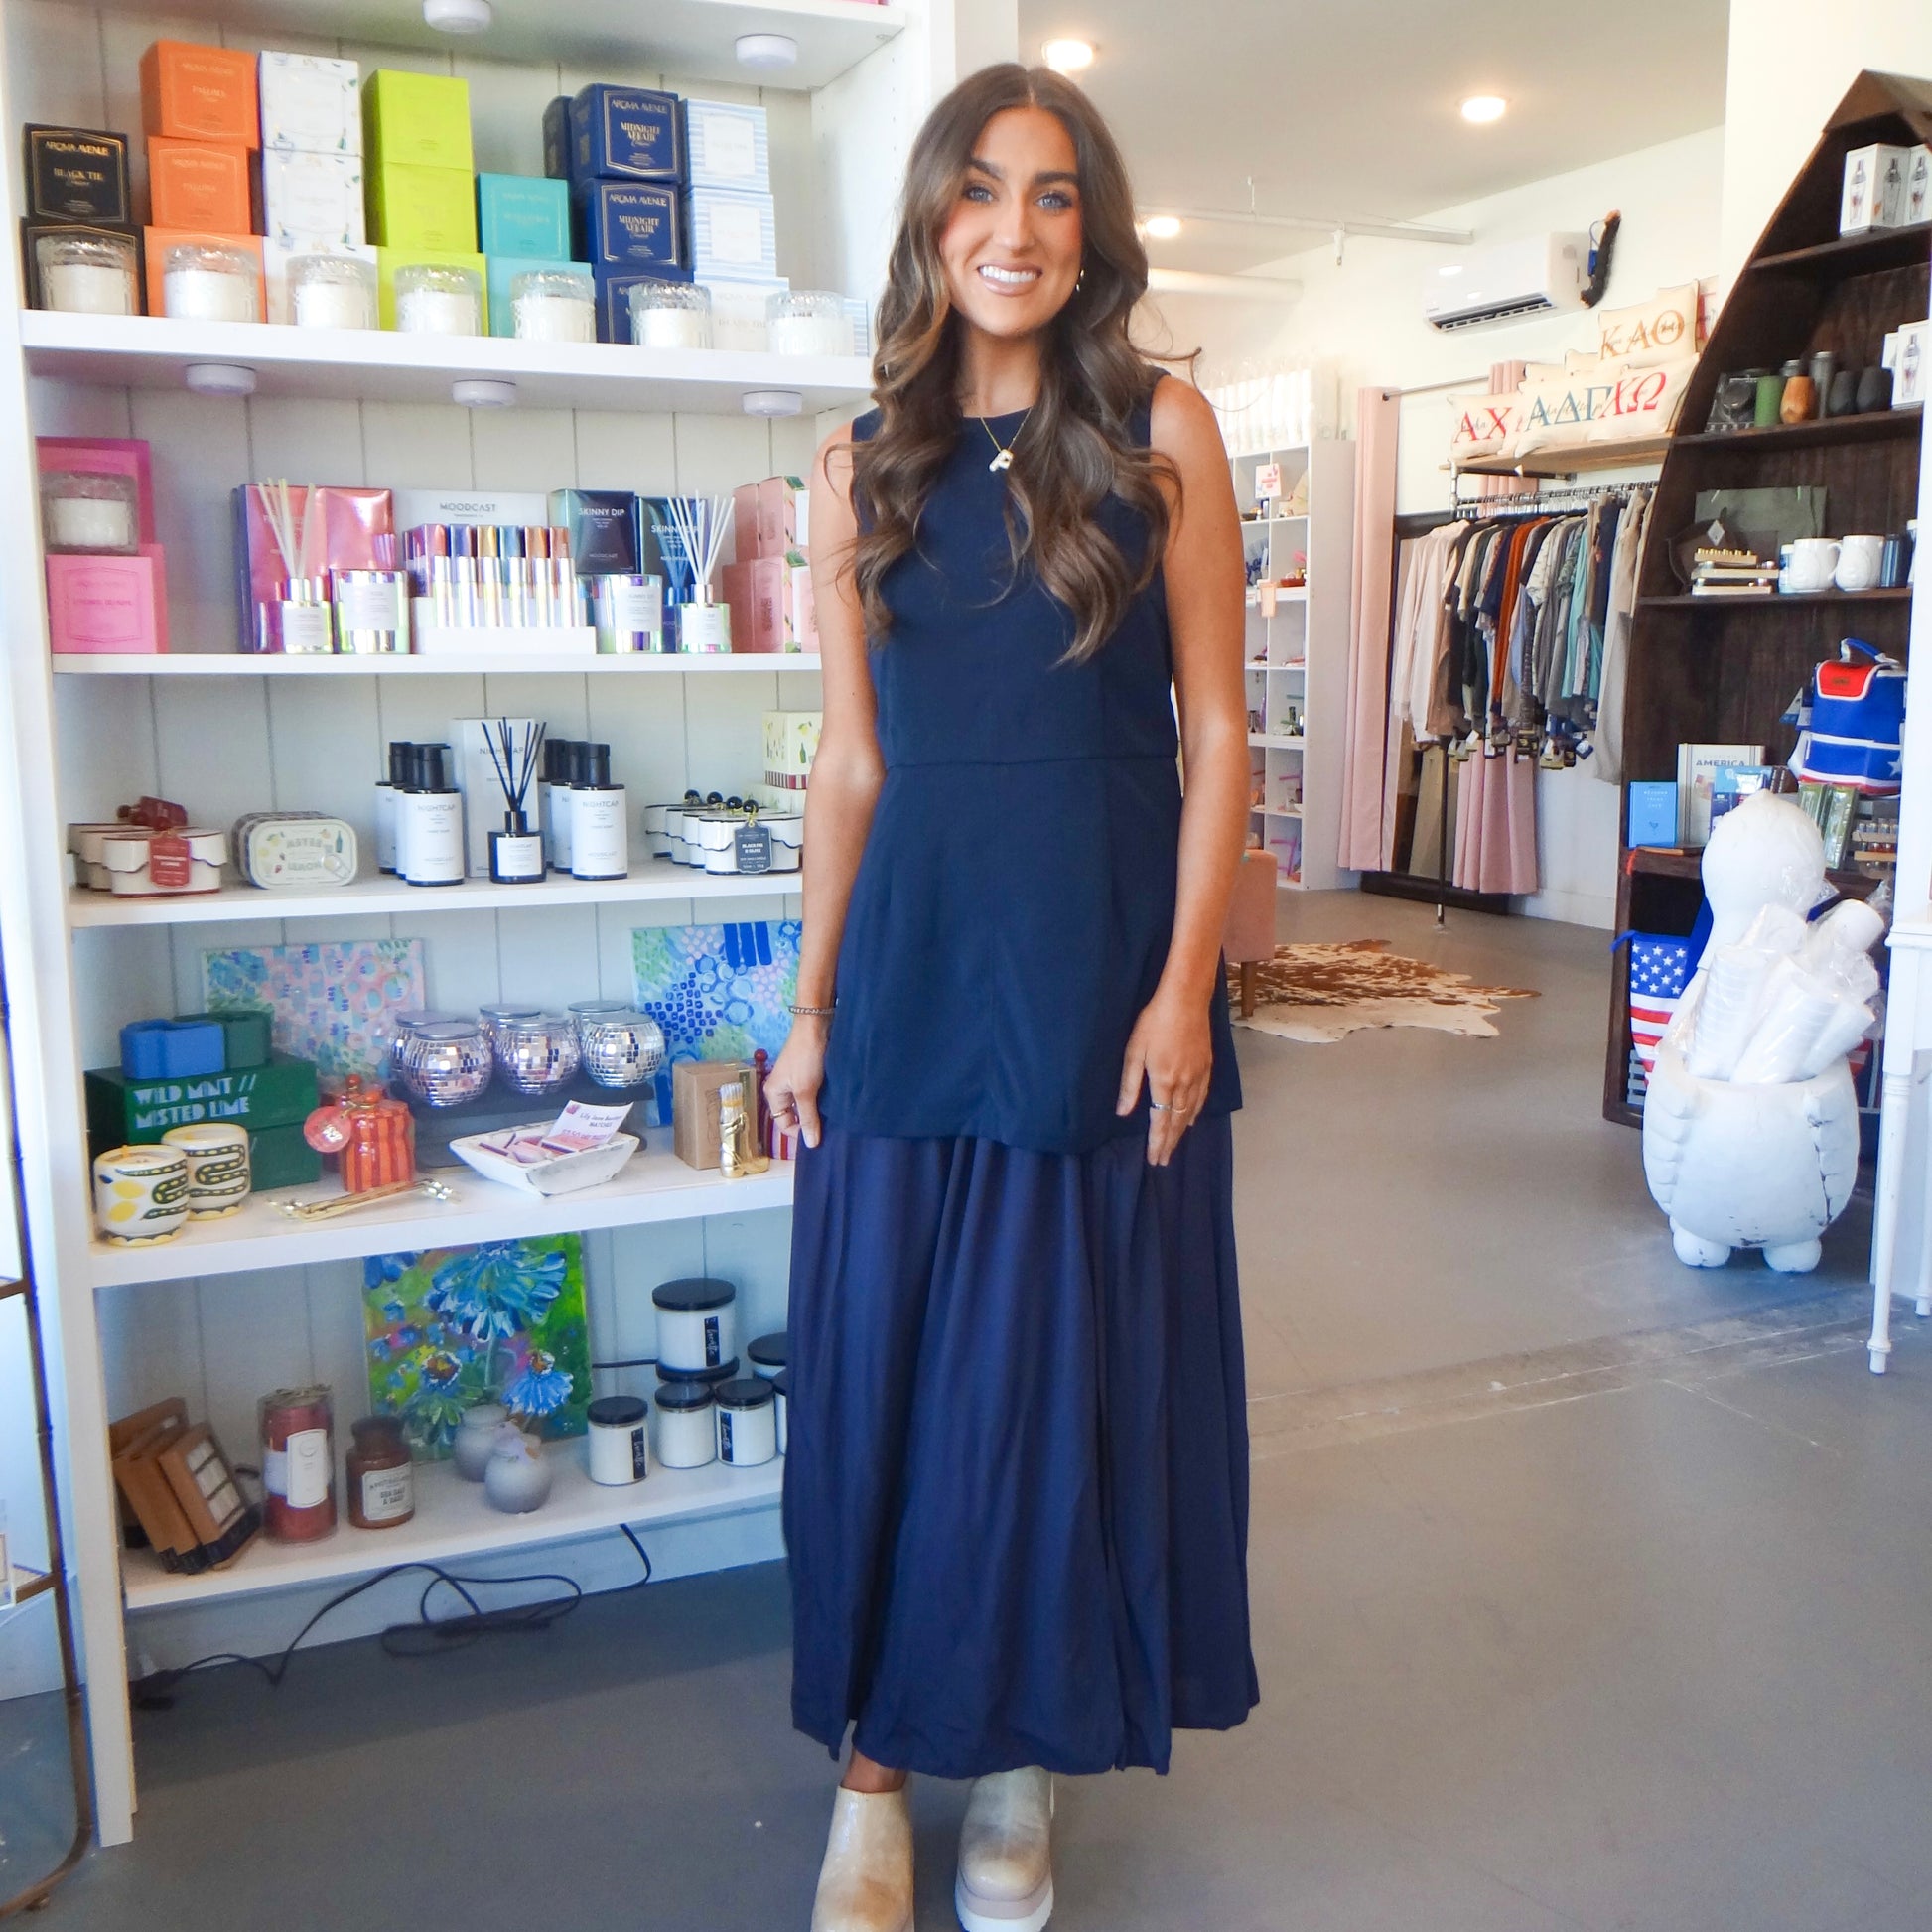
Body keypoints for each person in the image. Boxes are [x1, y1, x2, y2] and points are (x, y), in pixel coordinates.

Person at [764, 59, 1257, 1932]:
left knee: (1056, 1390)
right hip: (911, 964)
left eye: (1054, 195)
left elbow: (1218, 733)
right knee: (889, 1374)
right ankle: (872, 1775)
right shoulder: (855, 463)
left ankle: (1023, 1764)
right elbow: (848, 762)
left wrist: (1183, 989)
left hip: (1093, 967)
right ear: (930, 216)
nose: (1014, 229)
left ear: (1092, 232)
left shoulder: (1159, 429)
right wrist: (810, 1005)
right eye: (981, 188)